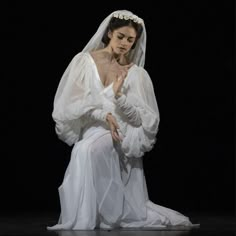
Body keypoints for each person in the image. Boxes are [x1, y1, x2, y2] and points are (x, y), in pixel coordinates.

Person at [47, 10, 199, 230]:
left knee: (87, 150)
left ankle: (101, 215)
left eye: (130, 40)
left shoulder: (135, 74)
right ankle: (87, 216)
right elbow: (72, 104)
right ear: (109, 32)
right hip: (93, 128)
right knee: (83, 149)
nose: (124, 43)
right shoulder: (84, 61)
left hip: (121, 132)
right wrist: (103, 115)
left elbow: (143, 119)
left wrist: (119, 97)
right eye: (120, 37)